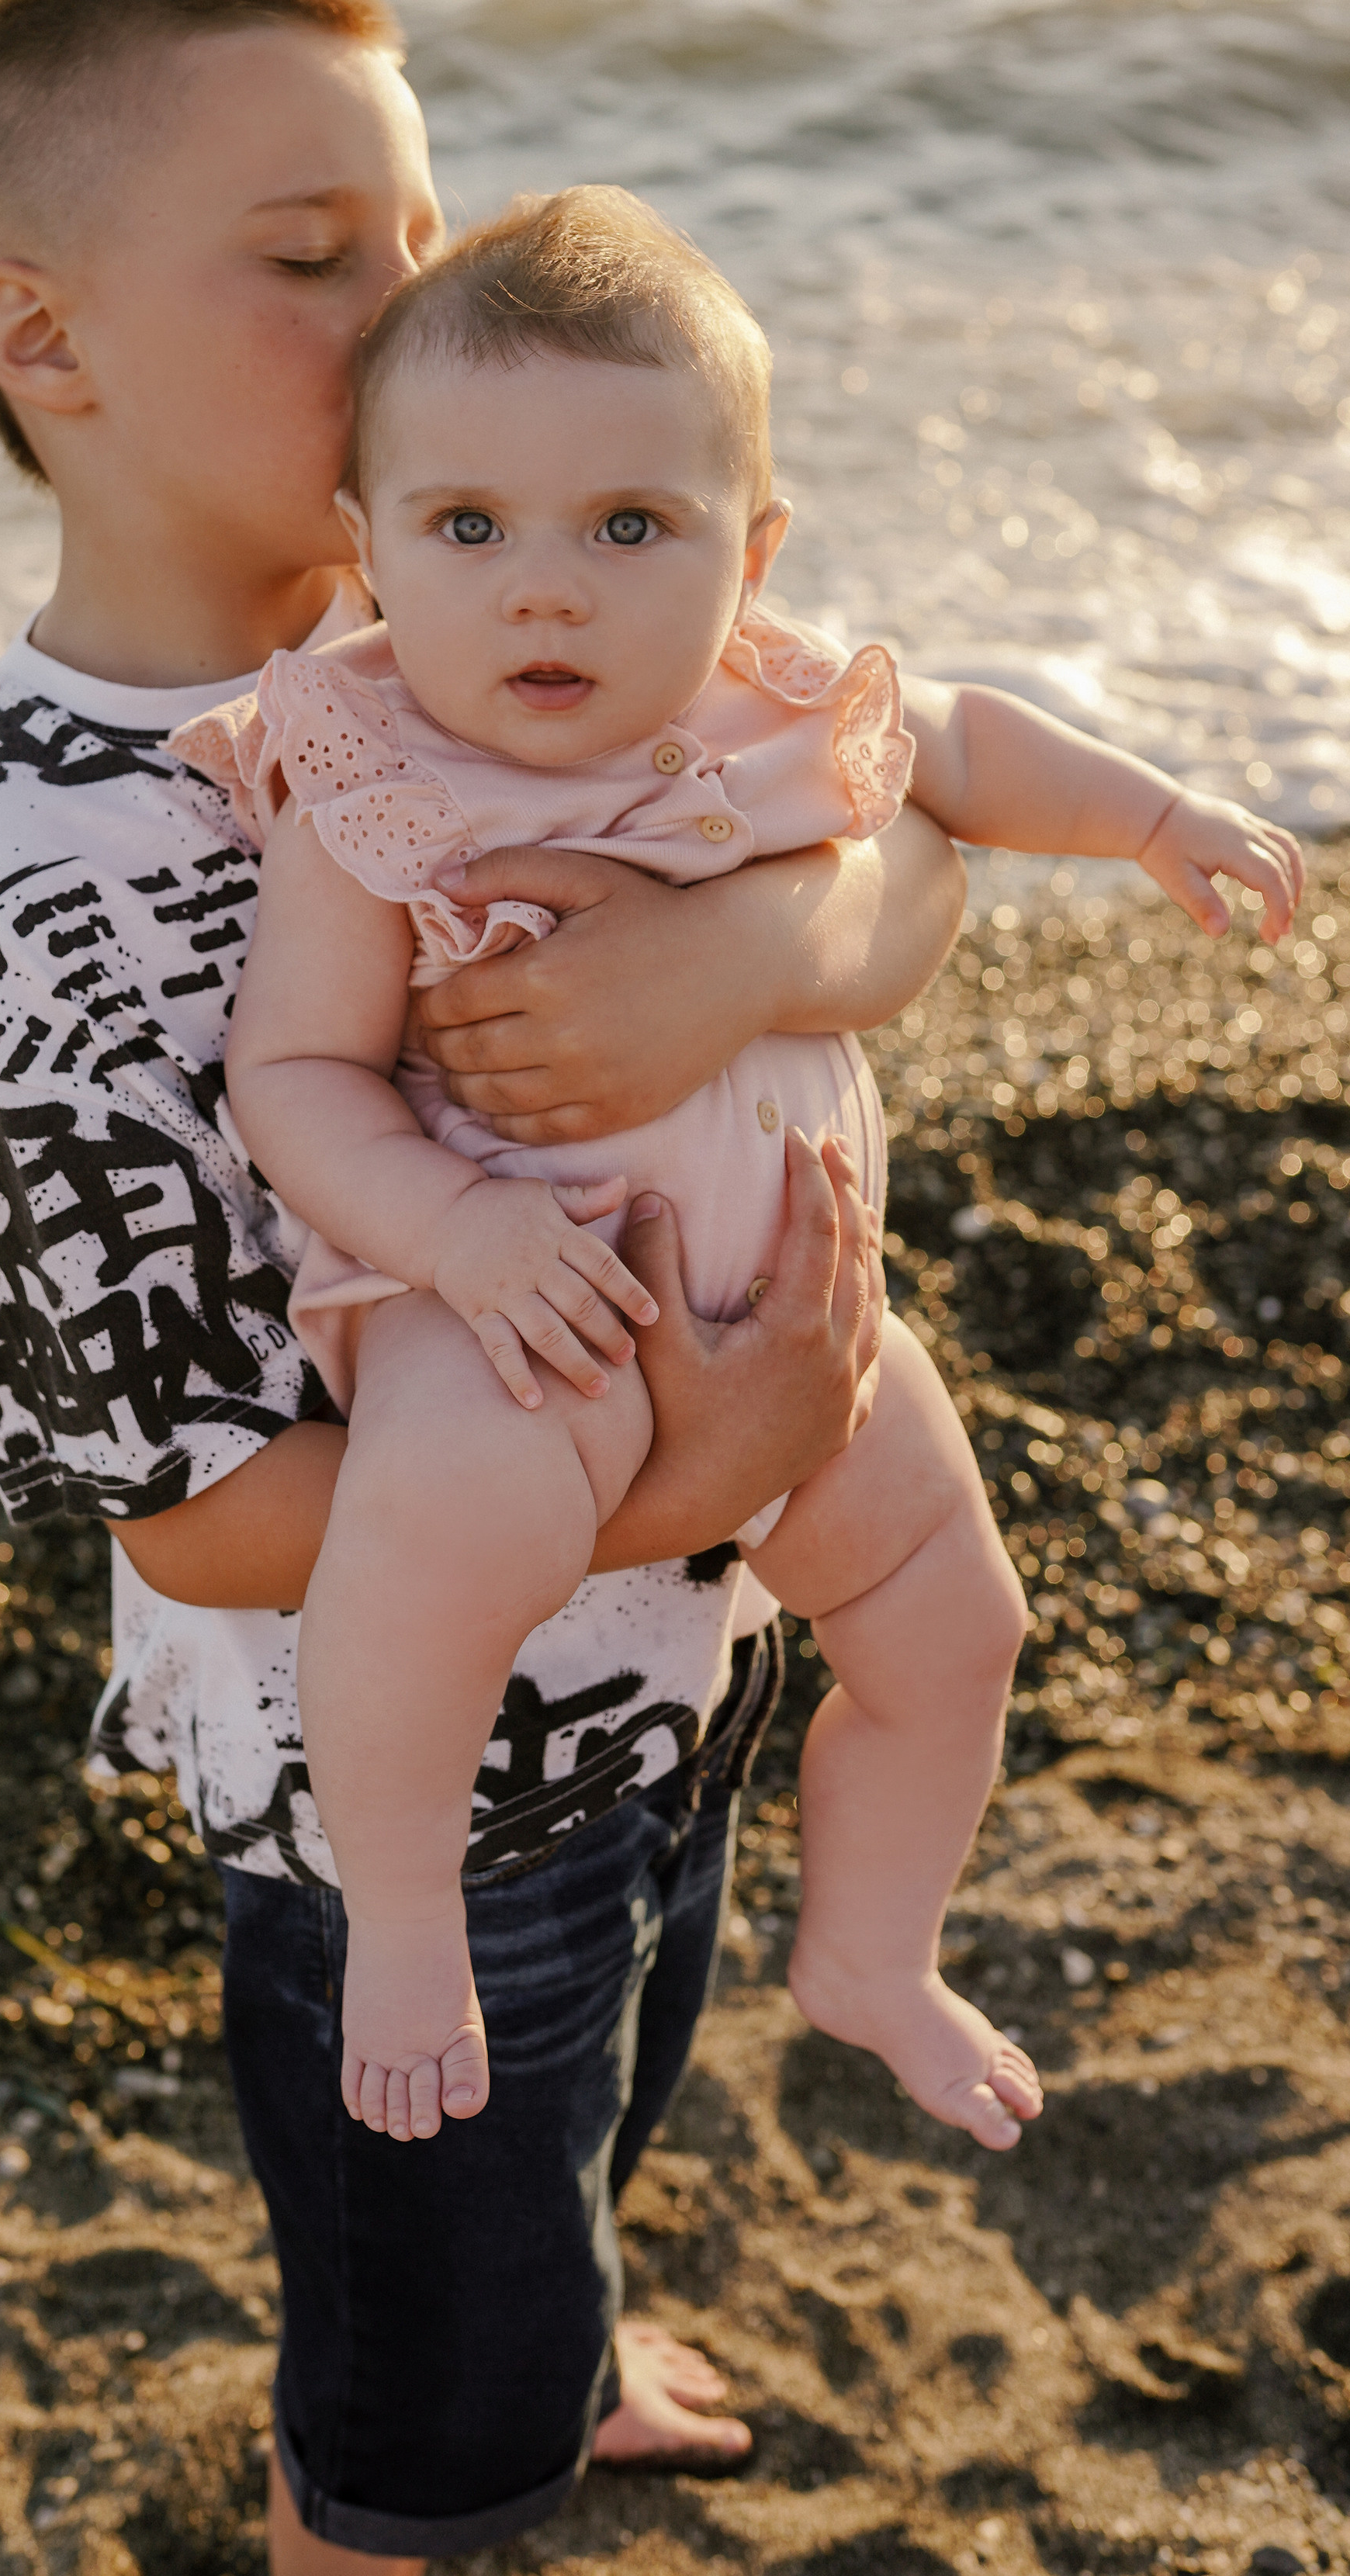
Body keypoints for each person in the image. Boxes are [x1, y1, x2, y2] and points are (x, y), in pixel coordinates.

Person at [0, 0, 968, 2574]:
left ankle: (557, 2345)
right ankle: (391, 2482)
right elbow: (184, 1503)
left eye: (421, 220)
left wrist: (754, 954)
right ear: (48, 334)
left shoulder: (477, 625)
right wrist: (706, 1461)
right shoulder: (47, 897)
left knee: (597, 2106)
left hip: (661, 1676)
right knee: (421, 2339)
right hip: (422, 1789)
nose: (419, 301)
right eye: (311, 254)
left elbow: (901, 803)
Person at [174, 184, 1305, 2164]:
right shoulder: (371, 787)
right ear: (365, 553)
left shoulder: (775, 705)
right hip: (523, 1303)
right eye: (468, 529)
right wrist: (456, 1229)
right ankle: (409, 1910)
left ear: (749, 547)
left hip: (808, 1295)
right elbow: (289, 1075)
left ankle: (874, 1948)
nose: (548, 590)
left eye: (632, 527)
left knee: (961, 1625)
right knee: (425, 1553)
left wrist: (1148, 815)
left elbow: (958, 746)